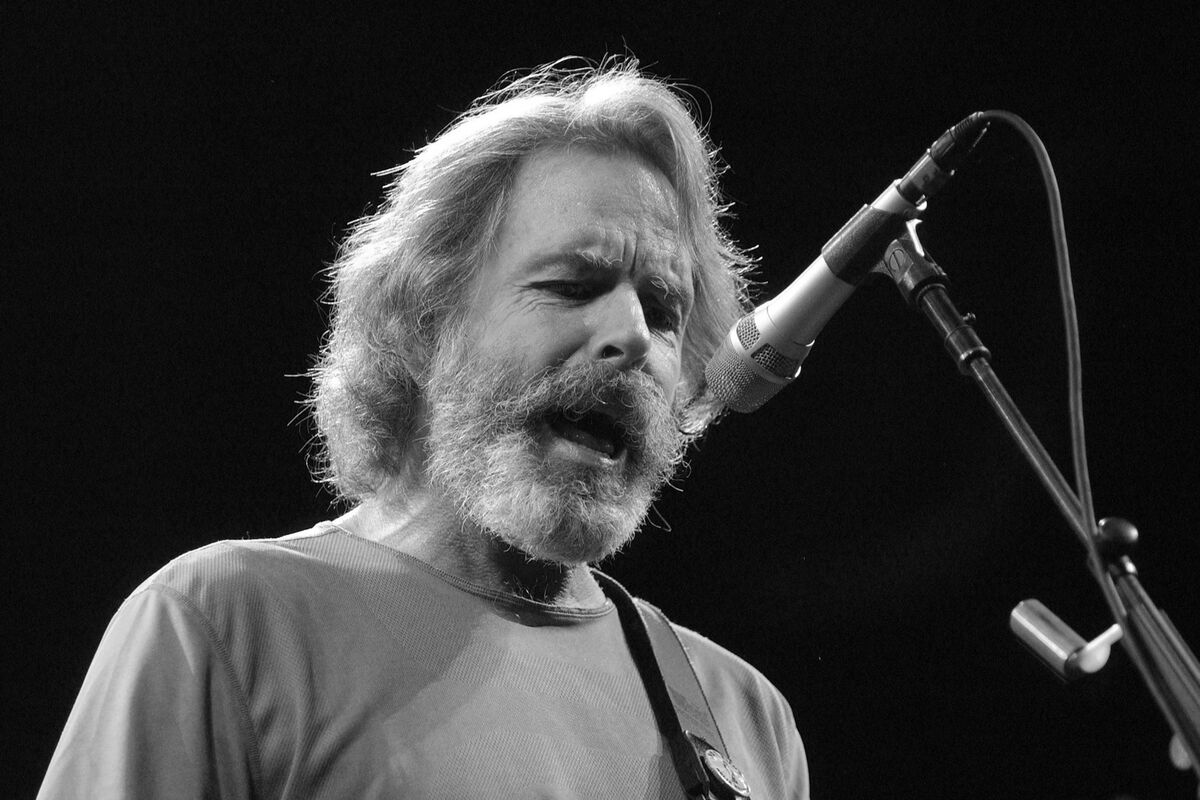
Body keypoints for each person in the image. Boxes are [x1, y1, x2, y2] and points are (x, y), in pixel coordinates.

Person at [39, 58, 810, 799]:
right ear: (424, 323)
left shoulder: (745, 721)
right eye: (573, 285)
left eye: (664, 310)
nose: (634, 338)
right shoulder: (226, 622)